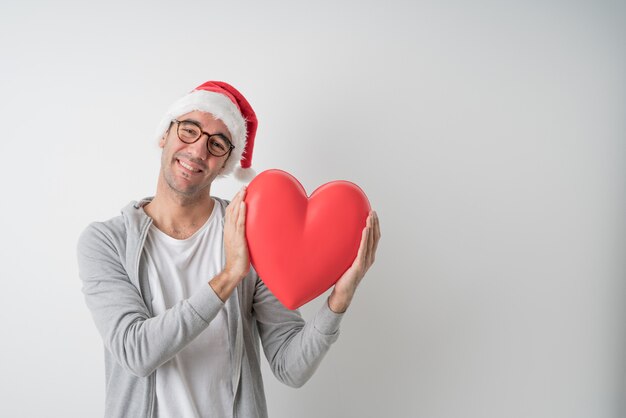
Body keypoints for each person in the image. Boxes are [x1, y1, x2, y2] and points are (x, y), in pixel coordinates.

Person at [77, 80, 381, 418]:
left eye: (217, 144)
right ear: (165, 134)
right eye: (189, 130)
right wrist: (229, 276)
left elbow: (290, 367)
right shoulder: (107, 242)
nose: (198, 150)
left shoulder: (251, 231)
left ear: (226, 164)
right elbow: (136, 352)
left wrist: (338, 301)